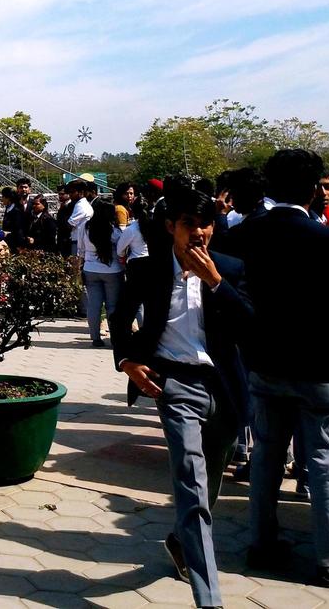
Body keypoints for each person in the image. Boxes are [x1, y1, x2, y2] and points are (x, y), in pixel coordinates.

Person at [110, 187, 250, 609]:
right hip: (173, 384)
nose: (200, 233)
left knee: (209, 484)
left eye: (206, 224)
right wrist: (127, 362)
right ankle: (210, 600)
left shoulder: (231, 268)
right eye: (190, 224)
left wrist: (217, 283)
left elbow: (253, 325)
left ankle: (179, 542)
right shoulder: (148, 270)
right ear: (172, 226)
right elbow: (119, 317)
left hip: (224, 388)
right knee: (190, 484)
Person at [235, 149, 329, 587]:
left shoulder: (251, 232)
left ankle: (261, 543)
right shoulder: (325, 238)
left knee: (267, 456)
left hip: (266, 363)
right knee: (324, 464)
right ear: (313, 189)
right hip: (320, 369)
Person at [82, 199, 123, 348]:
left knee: (94, 305)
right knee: (112, 306)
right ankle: (115, 338)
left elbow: (81, 248)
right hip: (112, 270)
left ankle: (95, 337)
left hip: (90, 268)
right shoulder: (114, 231)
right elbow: (121, 249)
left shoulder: (86, 227)